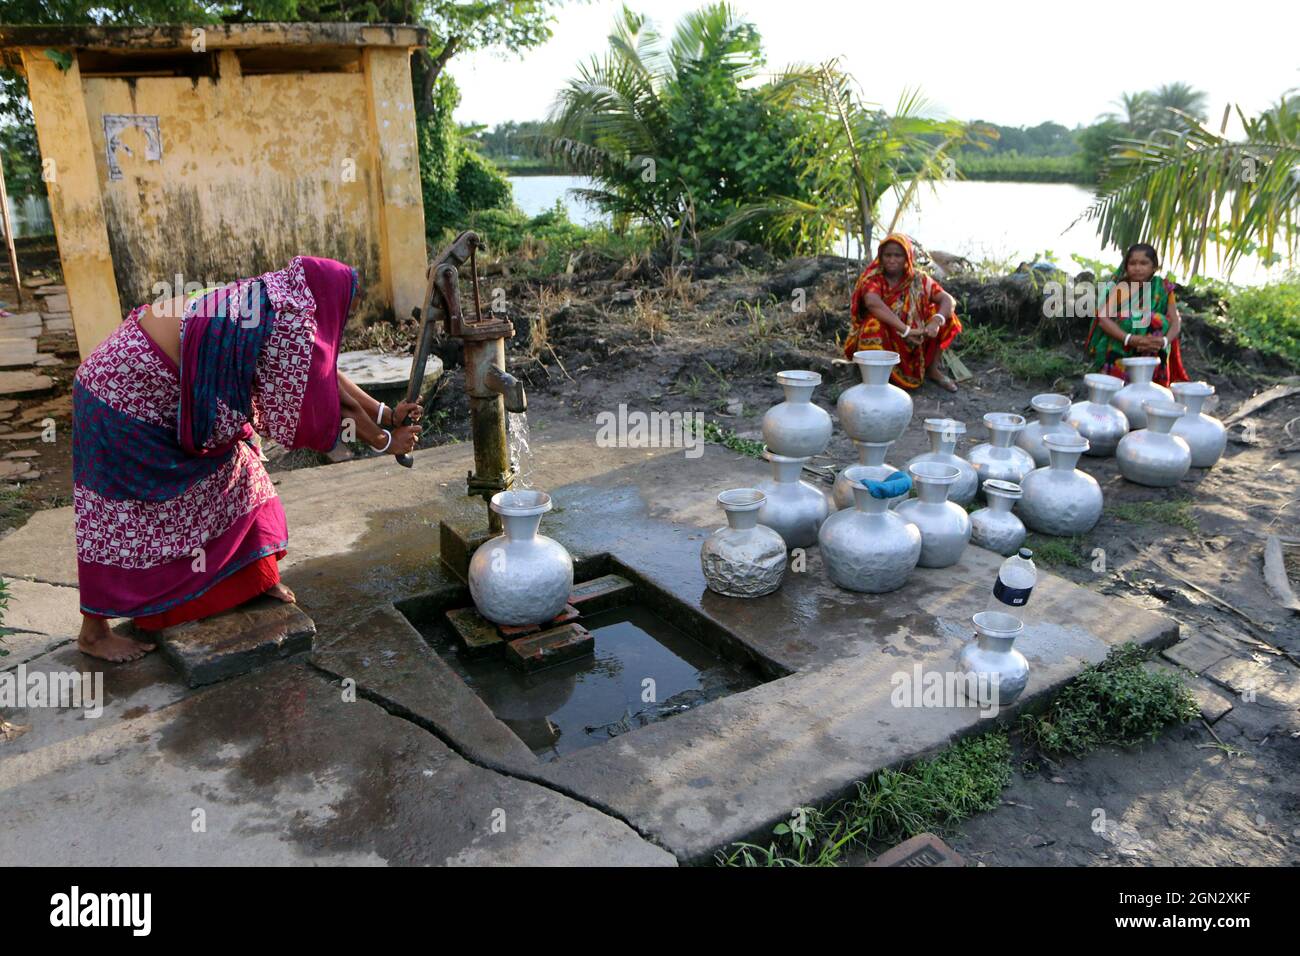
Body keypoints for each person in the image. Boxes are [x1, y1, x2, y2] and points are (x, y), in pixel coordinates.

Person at [73, 256, 422, 662]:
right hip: (118, 395)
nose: (350, 310)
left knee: (245, 474)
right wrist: (385, 441)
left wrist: (385, 413)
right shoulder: (283, 321)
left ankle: (255, 579)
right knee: (117, 509)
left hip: (154, 386)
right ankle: (93, 633)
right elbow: (320, 404)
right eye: (350, 301)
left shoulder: (278, 299)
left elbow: (322, 374)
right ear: (327, 297)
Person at [843, 233, 962, 392]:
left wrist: (936, 321)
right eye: (888, 255)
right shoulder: (873, 278)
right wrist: (905, 330)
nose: (892, 260)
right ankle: (877, 379)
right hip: (889, 333)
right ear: (881, 256)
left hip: (916, 335)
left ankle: (933, 370)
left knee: (947, 316)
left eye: (898, 255)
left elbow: (948, 300)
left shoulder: (919, 279)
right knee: (873, 325)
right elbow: (872, 303)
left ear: (907, 257)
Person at [1086, 242, 1189, 386]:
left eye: (1143, 263)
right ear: (1126, 266)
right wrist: (1130, 339)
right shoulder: (1120, 288)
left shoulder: (1163, 287)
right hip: (1121, 344)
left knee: (1157, 320)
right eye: (1132, 263)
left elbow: (1175, 320)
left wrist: (1163, 341)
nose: (1137, 268)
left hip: (1154, 347)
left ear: (1154, 267)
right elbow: (1103, 319)